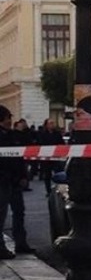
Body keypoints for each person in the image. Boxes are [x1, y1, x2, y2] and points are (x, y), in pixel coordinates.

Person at [0, 106, 34, 258]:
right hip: (2, 180)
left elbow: (21, 156)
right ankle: (1, 248)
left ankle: (21, 243)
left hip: (15, 180)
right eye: (8, 117)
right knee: (1, 214)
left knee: (19, 212)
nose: (10, 120)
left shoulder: (14, 135)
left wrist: (23, 176)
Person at [37, 118, 65, 196]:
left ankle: (60, 189)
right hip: (46, 157)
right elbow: (40, 144)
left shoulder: (57, 133)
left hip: (56, 157)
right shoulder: (42, 134)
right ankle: (48, 191)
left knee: (59, 173)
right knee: (47, 175)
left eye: (53, 123)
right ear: (46, 125)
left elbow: (61, 143)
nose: (52, 125)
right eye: (50, 123)